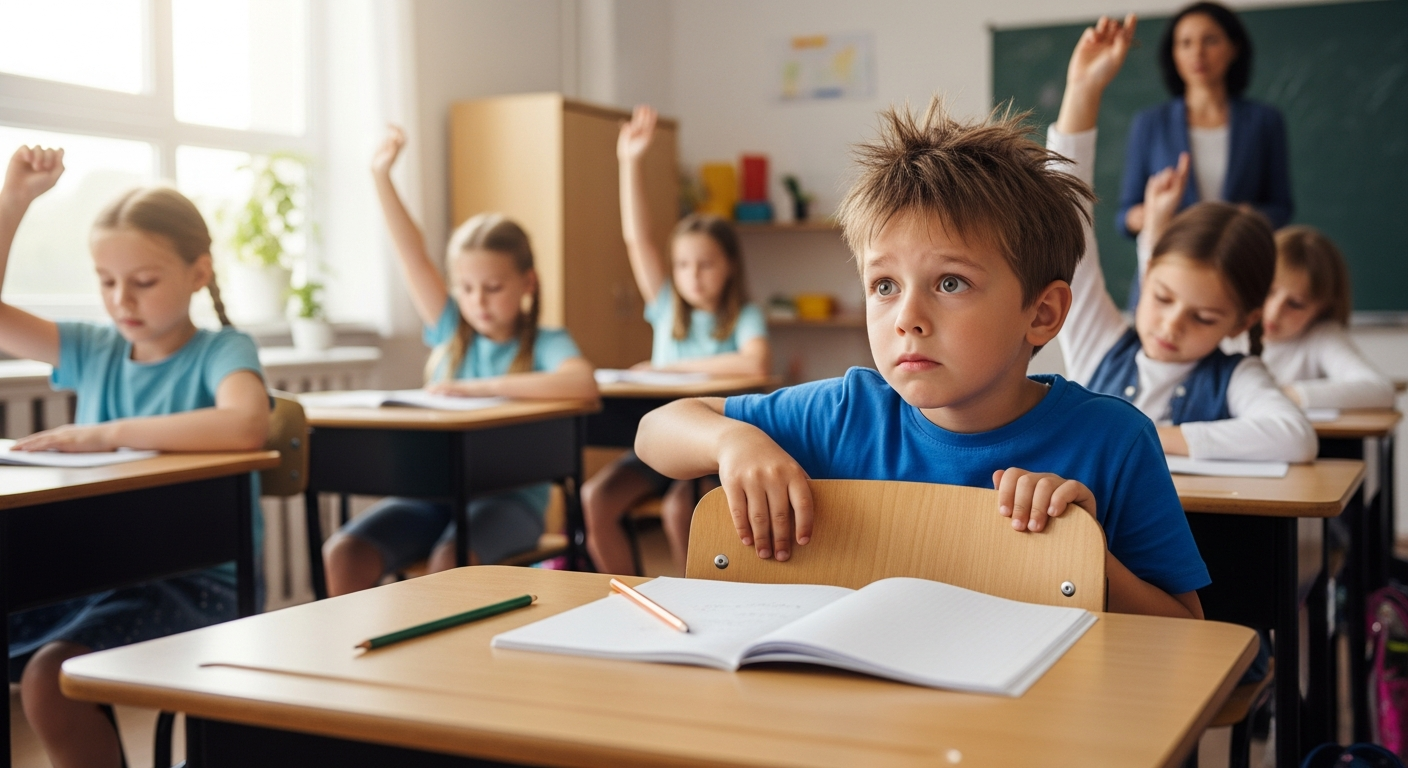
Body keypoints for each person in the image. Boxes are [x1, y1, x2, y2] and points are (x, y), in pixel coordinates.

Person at [635, 17, 1208, 620]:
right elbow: (657, 431)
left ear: (1041, 314)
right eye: (884, 285)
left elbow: (1188, 635)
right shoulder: (845, 416)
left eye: (951, 283)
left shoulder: (1112, 441)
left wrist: (1081, 555)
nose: (907, 317)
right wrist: (732, 441)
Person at [0, 145, 271, 768]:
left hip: (199, 584)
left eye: (143, 282)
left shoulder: (222, 350)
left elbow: (247, 424)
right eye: (106, 281)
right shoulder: (92, 347)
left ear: (198, 273)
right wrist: (14, 202)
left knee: (49, 680)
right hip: (97, 569)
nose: (122, 298)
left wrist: (105, 433)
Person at [322, 126, 597, 596]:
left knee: (451, 560)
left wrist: (481, 388)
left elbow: (583, 384)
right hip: (435, 497)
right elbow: (412, 257)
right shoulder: (451, 332)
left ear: (527, 283)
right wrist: (381, 176)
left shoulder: (546, 342)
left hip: (511, 505)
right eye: (466, 289)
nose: (479, 301)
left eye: (494, 288)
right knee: (344, 554)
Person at [1056, 80, 1317, 464]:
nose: (1172, 325)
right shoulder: (1099, 346)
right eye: (1162, 298)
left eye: (1204, 317)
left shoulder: (1236, 376)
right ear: (1147, 277)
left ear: (1242, 322)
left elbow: (1295, 438)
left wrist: (1145, 437)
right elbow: (1065, 211)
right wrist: (1082, 89)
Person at [582, 106, 769, 576]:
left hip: (706, 446)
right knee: (594, 499)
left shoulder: (744, 316)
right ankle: (630, 590)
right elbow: (637, 240)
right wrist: (630, 162)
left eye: (706, 264)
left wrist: (667, 370)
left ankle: (694, 595)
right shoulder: (666, 309)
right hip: (660, 443)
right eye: (683, 265)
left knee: (678, 513)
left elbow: (755, 364)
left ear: (729, 266)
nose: (694, 276)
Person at [1117, 1, 1292, 308]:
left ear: (1233, 47)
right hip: (1167, 274)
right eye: (1185, 43)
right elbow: (1125, 215)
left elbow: (1281, 206)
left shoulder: (1264, 121)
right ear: (1173, 53)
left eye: (1210, 40)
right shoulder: (1150, 123)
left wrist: (1248, 218)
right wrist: (1158, 214)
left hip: (1239, 269)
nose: (1197, 53)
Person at [1255, 226, 1394, 409]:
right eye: (1269, 292)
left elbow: (1380, 390)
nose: (1274, 312)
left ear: (1322, 309)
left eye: (1295, 304)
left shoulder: (1321, 336)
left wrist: (1278, 395)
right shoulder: (1225, 329)